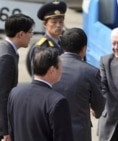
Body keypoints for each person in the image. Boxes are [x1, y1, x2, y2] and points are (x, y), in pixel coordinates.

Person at [7, 47, 73, 141]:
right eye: (61, 65)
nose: (62, 70)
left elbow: (12, 132)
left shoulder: (15, 93)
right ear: (52, 70)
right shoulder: (57, 101)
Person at [53, 28, 105, 141]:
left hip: (50, 130)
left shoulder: (48, 66)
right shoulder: (91, 72)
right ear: (84, 48)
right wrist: (96, 112)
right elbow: (99, 106)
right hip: (78, 134)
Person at [0, 13, 34, 141]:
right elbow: (2, 96)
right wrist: (5, 131)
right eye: (30, 32)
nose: (31, 36)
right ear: (20, 34)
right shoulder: (7, 57)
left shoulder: (7, 50)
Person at [26, 0, 67, 76]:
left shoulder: (65, 43)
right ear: (45, 24)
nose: (58, 25)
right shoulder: (40, 47)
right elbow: (35, 75)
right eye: (54, 22)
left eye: (61, 22)